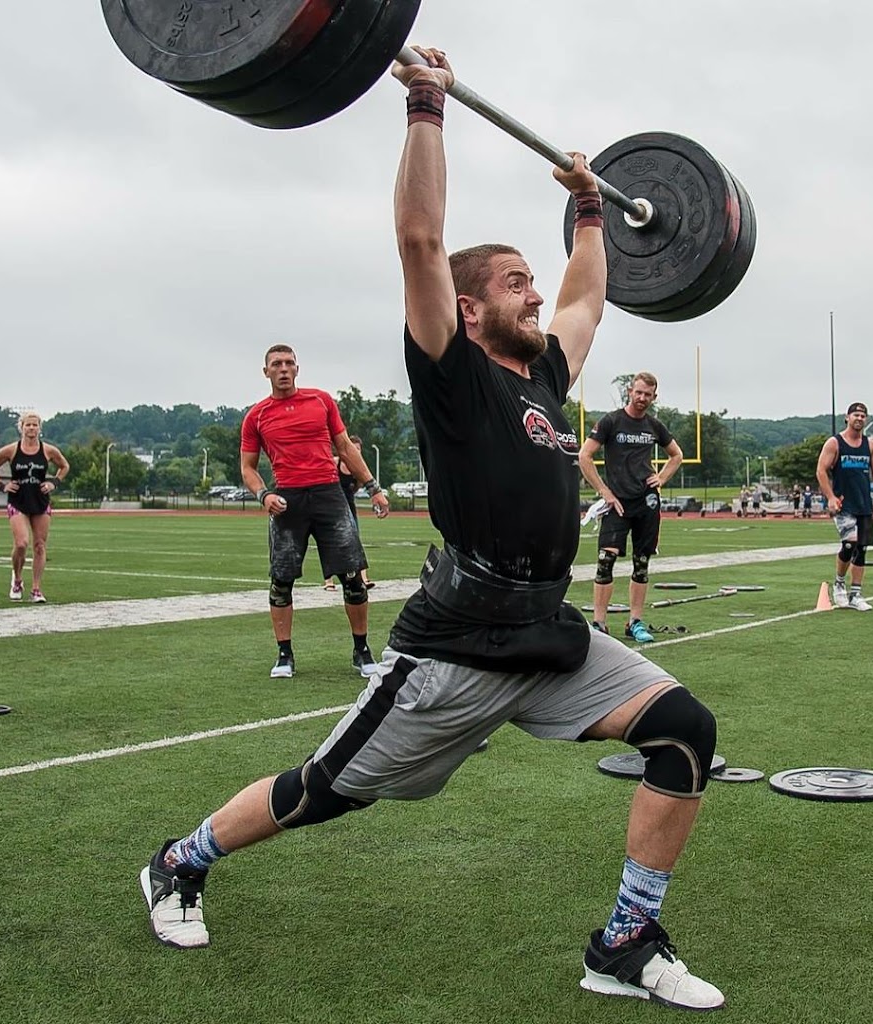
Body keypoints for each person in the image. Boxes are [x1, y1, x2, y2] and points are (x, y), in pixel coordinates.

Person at [137, 47, 724, 1013]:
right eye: (516, 284)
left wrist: (589, 206)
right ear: (468, 307)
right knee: (326, 789)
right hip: (456, 648)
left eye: (533, 283)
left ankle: (623, 940)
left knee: (684, 732)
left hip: (549, 635)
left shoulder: (543, 374)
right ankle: (180, 861)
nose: (537, 296)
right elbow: (418, 238)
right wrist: (424, 104)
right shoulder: (450, 373)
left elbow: (589, 297)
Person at [240, 347, 390, 679]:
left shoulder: (320, 401)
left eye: (289, 363)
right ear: (265, 372)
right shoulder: (256, 416)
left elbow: (346, 448)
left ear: (297, 368)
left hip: (329, 494)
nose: (283, 369)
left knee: (352, 577)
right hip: (288, 499)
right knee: (281, 582)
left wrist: (372, 487)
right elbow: (247, 468)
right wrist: (264, 495)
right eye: (276, 364)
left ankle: (362, 651)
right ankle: (284, 655)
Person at [577, 374, 683, 641]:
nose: (642, 398)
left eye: (648, 394)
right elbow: (584, 455)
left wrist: (661, 477)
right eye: (638, 392)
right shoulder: (611, 421)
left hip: (646, 502)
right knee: (605, 560)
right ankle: (599, 624)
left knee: (641, 563)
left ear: (654, 397)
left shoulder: (654, 425)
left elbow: (676, 455)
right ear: (629, 391)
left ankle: (635, 622)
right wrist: (603, 491)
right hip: (617, 502)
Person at [0, 410, 69, 603]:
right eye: (28, 425)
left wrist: (54, 482)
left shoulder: (48, 450)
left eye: (35, 424)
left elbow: (65, 466)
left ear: (40, 427)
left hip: (40, 502)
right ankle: (17, 579)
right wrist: (1, 485)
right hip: (18, 501)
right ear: (21, 427)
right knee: (21, 543)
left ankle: (36, 589)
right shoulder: (11, 450)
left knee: (39, 546)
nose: (31, 428)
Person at [816, 401, 873, 611]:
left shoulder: (871, 445)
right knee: (850, 543)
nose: (859, 419)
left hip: (864, 504)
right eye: (855, 415)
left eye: (863, 416)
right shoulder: (835, 443)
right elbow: (821, 470)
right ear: (847, 418)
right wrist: (830, 496)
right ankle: (839, 583)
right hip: (843, 504)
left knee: (862, 549)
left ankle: (856, 594)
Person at [323, 434, 375, 592]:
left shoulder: (357, 468)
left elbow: (358, 485)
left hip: (349, 507)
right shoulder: (334, 463)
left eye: (359, 449)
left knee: (355, 541)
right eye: (354, 448)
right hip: (332, 507)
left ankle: (363, 579)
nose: (356, 452)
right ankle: (328, 581)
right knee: (329, 542)